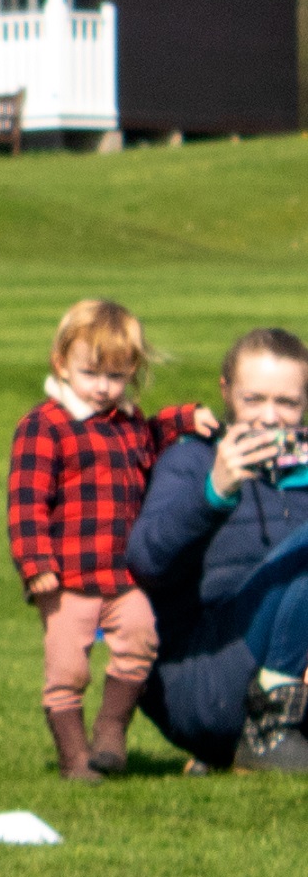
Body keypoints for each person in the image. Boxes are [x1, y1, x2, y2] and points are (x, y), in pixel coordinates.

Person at [6, 298, 203, 781]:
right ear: (61, 363)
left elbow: (153, 437)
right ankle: (75, 758)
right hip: (66, 578)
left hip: (121, 574)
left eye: (116, 377)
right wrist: (36, 565)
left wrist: (185, 418)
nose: (103, 387)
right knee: (67, 670)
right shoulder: (45, 426)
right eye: (91, 373)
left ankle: (112, 732)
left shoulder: (128, 423)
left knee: (140, 639)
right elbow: (26, 503)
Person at [124, 327, 308, 773]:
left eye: (286, 403)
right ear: (225, 392)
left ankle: (241, 748)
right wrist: (215, 492)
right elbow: (146, 561)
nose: (269, 417)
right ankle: (265, 734)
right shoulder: (190, 461)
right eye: (254, 399)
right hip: (198, 675)